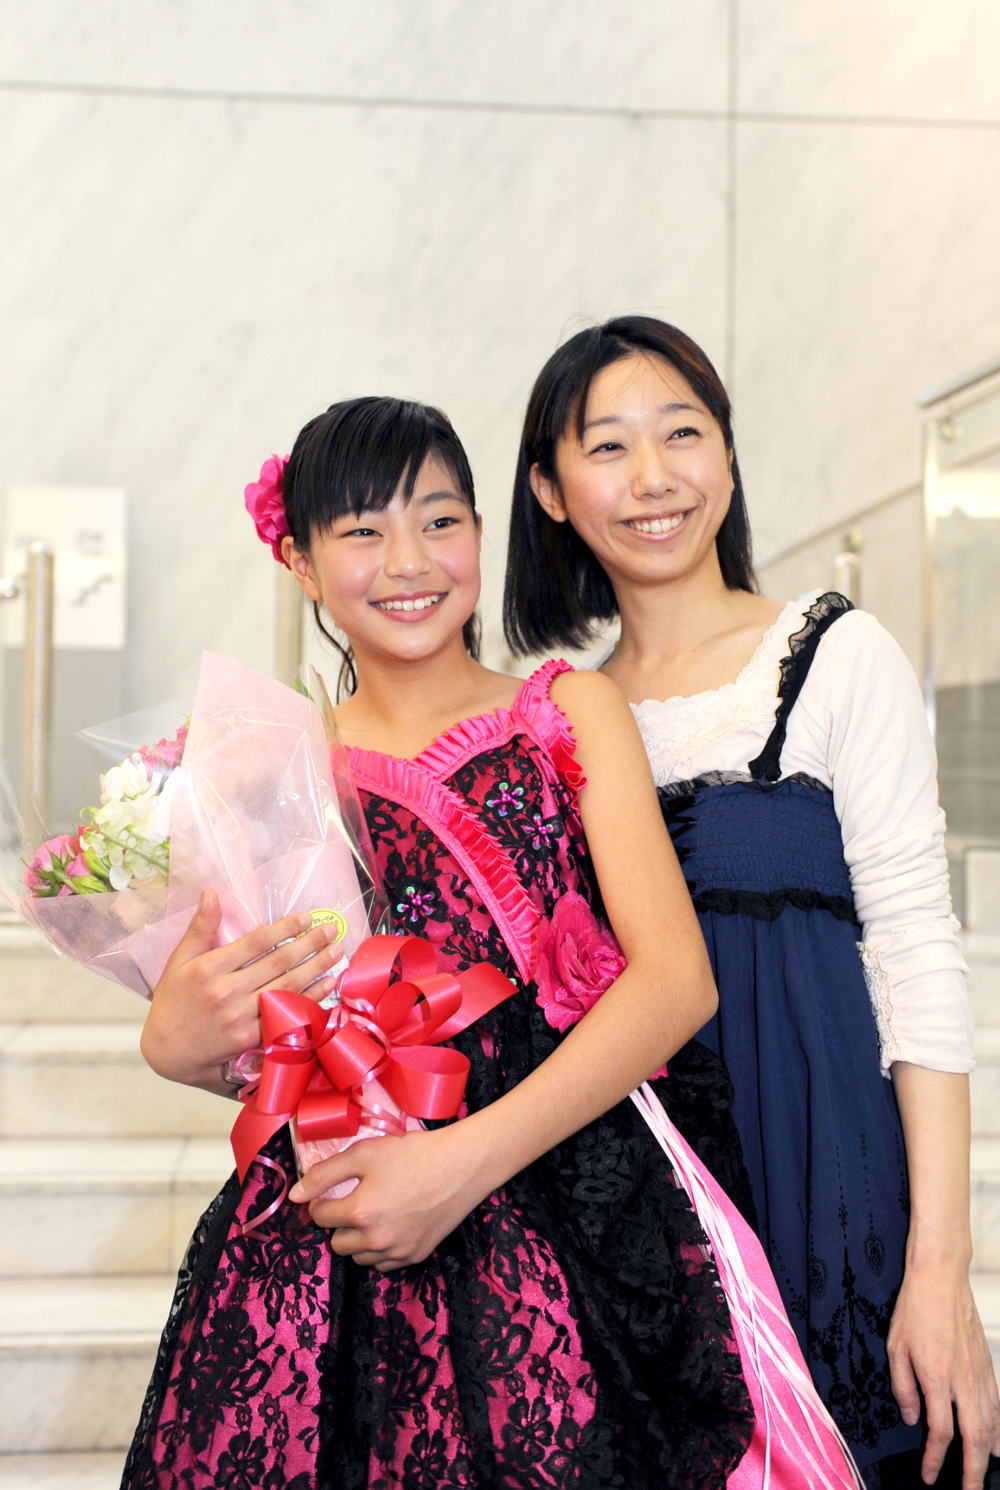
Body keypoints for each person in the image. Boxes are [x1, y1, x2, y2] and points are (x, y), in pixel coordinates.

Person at [121, 395, 861, 1490]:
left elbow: (675, 983)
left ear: (480, 530)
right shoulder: (271, 770)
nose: (409, 561)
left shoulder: (568, 710)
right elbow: (254, 1031)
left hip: (576, 1180)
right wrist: (171, 1041)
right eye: (363, 531)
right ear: (301, 562)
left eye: (440, 520)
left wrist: (460, 1163)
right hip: (342, 1214)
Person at [502, 315, 1000, 1490]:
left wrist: (941, 1265)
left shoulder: (833, 654)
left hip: (832, 1178)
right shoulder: (554, 719)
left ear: (726, 454)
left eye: (682, 433)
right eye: (608, 446)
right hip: (646, 1210)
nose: (654, 476)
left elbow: (918, 950)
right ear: (550, 491)